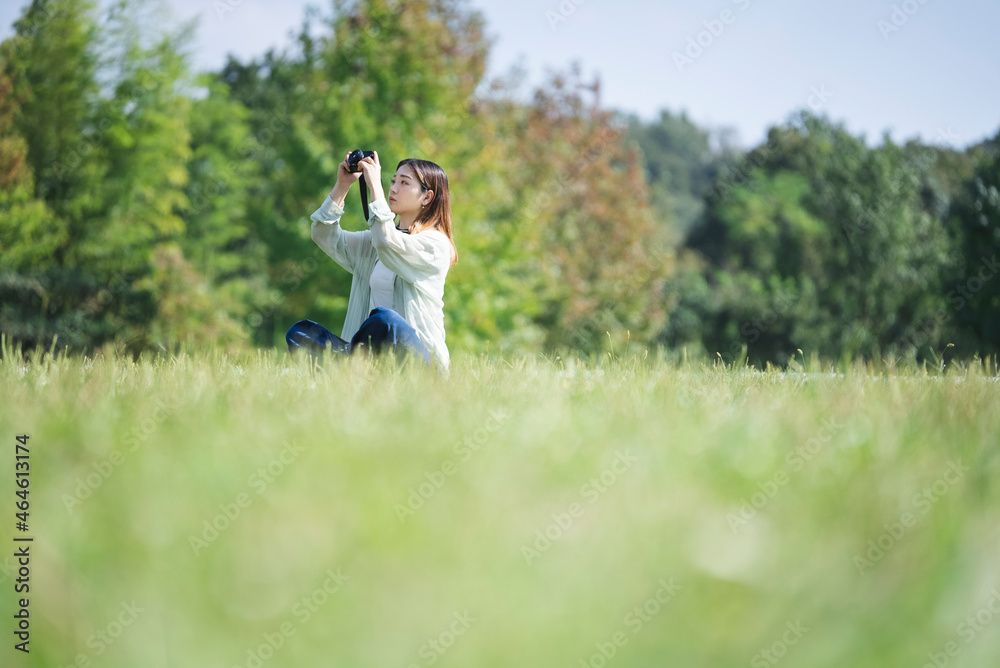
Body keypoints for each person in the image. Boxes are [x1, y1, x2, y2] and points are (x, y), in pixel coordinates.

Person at [285, 151, 458, 375]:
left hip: (422, 366)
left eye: (404, 183)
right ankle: (350, 365)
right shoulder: (373, 243)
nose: (393, 188)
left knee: (385, 320)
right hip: (375, 362)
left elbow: (387, 242)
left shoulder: (435, 245)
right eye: (393, 181)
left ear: (427, 197)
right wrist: (342, 186)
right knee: (301, 332)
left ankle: (344, 367)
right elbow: (323, 234)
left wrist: (374, 186)